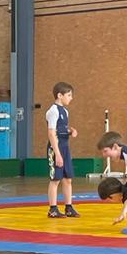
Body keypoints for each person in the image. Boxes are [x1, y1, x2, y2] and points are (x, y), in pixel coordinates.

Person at [46, 82, 79, 218]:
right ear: (60, 95)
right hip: (56, 148)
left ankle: (68, 207)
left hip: (65, 147)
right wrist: (57, 154)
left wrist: (71, 131)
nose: (71, 98)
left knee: (67, 179)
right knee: (56, 179)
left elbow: (61, 129)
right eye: (69, 95)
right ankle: (52, 209)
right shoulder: (53, 111)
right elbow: (51, 133)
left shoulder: (65, 111)